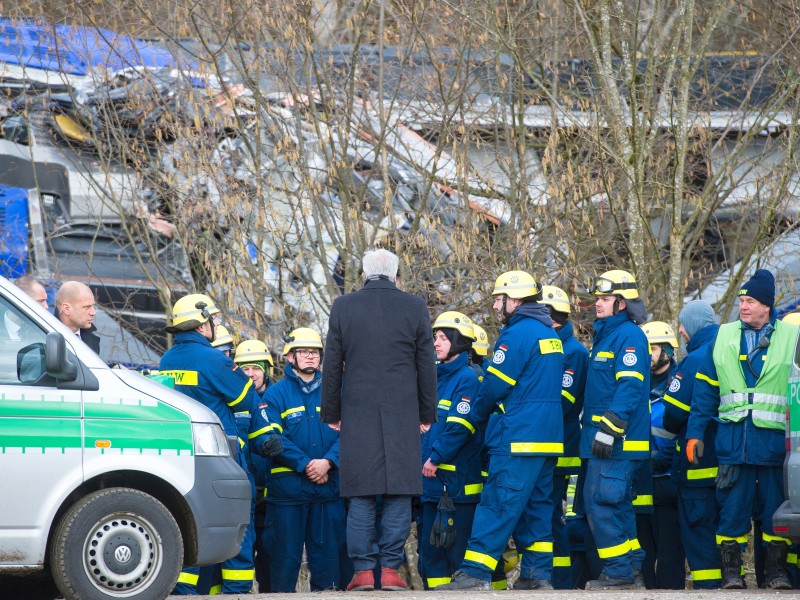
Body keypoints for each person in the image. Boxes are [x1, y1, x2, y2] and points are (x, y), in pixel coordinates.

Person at [439, 270, 564, 591]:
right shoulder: (548, 333)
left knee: (498, 503)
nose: (496, 306)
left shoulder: (516, 334)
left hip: (519, 437)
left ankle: (474, 574)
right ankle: (537, 575)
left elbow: (494, 386)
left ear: (516, 299)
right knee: (537, 508)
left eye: (499, 299)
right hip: (548, 440)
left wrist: (478, 417)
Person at [321, 248, 437, 592]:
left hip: (357, 411)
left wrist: (332, 413)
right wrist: (426, 413)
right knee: (399, 492)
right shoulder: (414, 306)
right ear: (395, 274)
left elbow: (332, 366)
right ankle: (389, 569)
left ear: (364, 273)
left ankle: (362, 571)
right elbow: (425, 366)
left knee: (361, 494)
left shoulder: (344, 306)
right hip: (403, 411)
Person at [159, 293, 282, 595]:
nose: (216, 324)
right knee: (236, 524)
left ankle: (182, 591)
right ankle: (237, 589)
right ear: (202, 325)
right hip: (221, 456)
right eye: (213, 319)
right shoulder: (214, 360)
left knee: (189, 525)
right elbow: (247, 399)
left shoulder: (166, 359)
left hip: (181, 458)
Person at [686, 269, 797, 589]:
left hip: (775, 446)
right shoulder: (723, 337)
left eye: (750, 301)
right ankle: (733, 575)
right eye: (742, 301)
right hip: (734, 445)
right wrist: (695, 433)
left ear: (767, 305)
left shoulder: (791, 338)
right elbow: (705, 390)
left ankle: (776, 574)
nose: (744, 306)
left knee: (776, 514)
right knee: (732, 513)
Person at [249, 327, 352, 591]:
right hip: (288, 496)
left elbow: (353, 433)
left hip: (328, 493)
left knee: (330, 571)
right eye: (304, 352)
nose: (310, 357)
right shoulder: (275, 395)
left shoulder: (337, 391)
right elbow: (268, 439)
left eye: (315, 352)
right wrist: (306, 464)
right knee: (282, 568)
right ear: (290, 357)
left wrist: (328, 461)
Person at [581, 269, 650, 590]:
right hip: (609, 441)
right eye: (598, 298)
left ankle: (619, 572)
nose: (598, 304)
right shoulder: (609, 335)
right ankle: (630, 568)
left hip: (616, 441)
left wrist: (609, 430)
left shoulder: (629, 337)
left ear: (622, 303)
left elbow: (629, 388)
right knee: (617, 504)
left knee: (600, 501)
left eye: (605, 299)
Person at [419, 311, 482, 589]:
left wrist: (435, 457)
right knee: (431, 556)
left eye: (443, 338)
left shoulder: (467, 379)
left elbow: (460, 427)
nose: (436, 343)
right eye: (435, 338)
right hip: (431, 487)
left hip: (456, 487)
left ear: (458, 342)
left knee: (457, 555)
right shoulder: (434, 378)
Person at [662, 300, 721, 589]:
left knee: (699, 535)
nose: (682, 331)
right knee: (726, 533)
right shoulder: (728, 350)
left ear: (695, 325)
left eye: (683, 324)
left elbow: (672, 414)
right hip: (730, 463)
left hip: (697, 467)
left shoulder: (695, 359)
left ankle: (709, 592)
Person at [540, 284, 588, 589]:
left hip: (562, 447)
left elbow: (563, 401)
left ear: (552, 319)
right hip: (546, 443)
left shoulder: (573, 352)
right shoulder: (552, 347)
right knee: (545, 514)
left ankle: (562, 583)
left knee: (552, 515)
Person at [637, 321, 684, 589]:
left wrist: (664, 459)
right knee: (642, 555)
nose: (648, 354)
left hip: (667, 479)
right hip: (639, 478)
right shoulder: (636, 382)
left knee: (670, 554)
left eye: (652, 348)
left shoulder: (677, 383)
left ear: (667, 350)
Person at [234, 339, 274, 593]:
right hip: (241, 495)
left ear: (266, 370)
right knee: (238, 555)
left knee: (272, 562)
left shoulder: (277, 398)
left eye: (256, 368)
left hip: (274, 499)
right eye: (245, 369)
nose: (250, 374)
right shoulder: (232, 400)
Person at [54, 281, 100, 353]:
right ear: (66, 309)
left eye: (93, 306)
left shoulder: (92, 340)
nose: (93, 312)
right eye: (87, 307)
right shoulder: (45, 337)